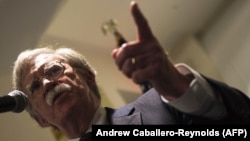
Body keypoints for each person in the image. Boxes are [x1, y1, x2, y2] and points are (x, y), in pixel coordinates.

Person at [11, 1, 250, 141]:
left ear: (87, 76)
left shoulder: (162, 104)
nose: (47, 84)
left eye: (53, 70)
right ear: (41, 119)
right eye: (34, 87)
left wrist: (179, 88)